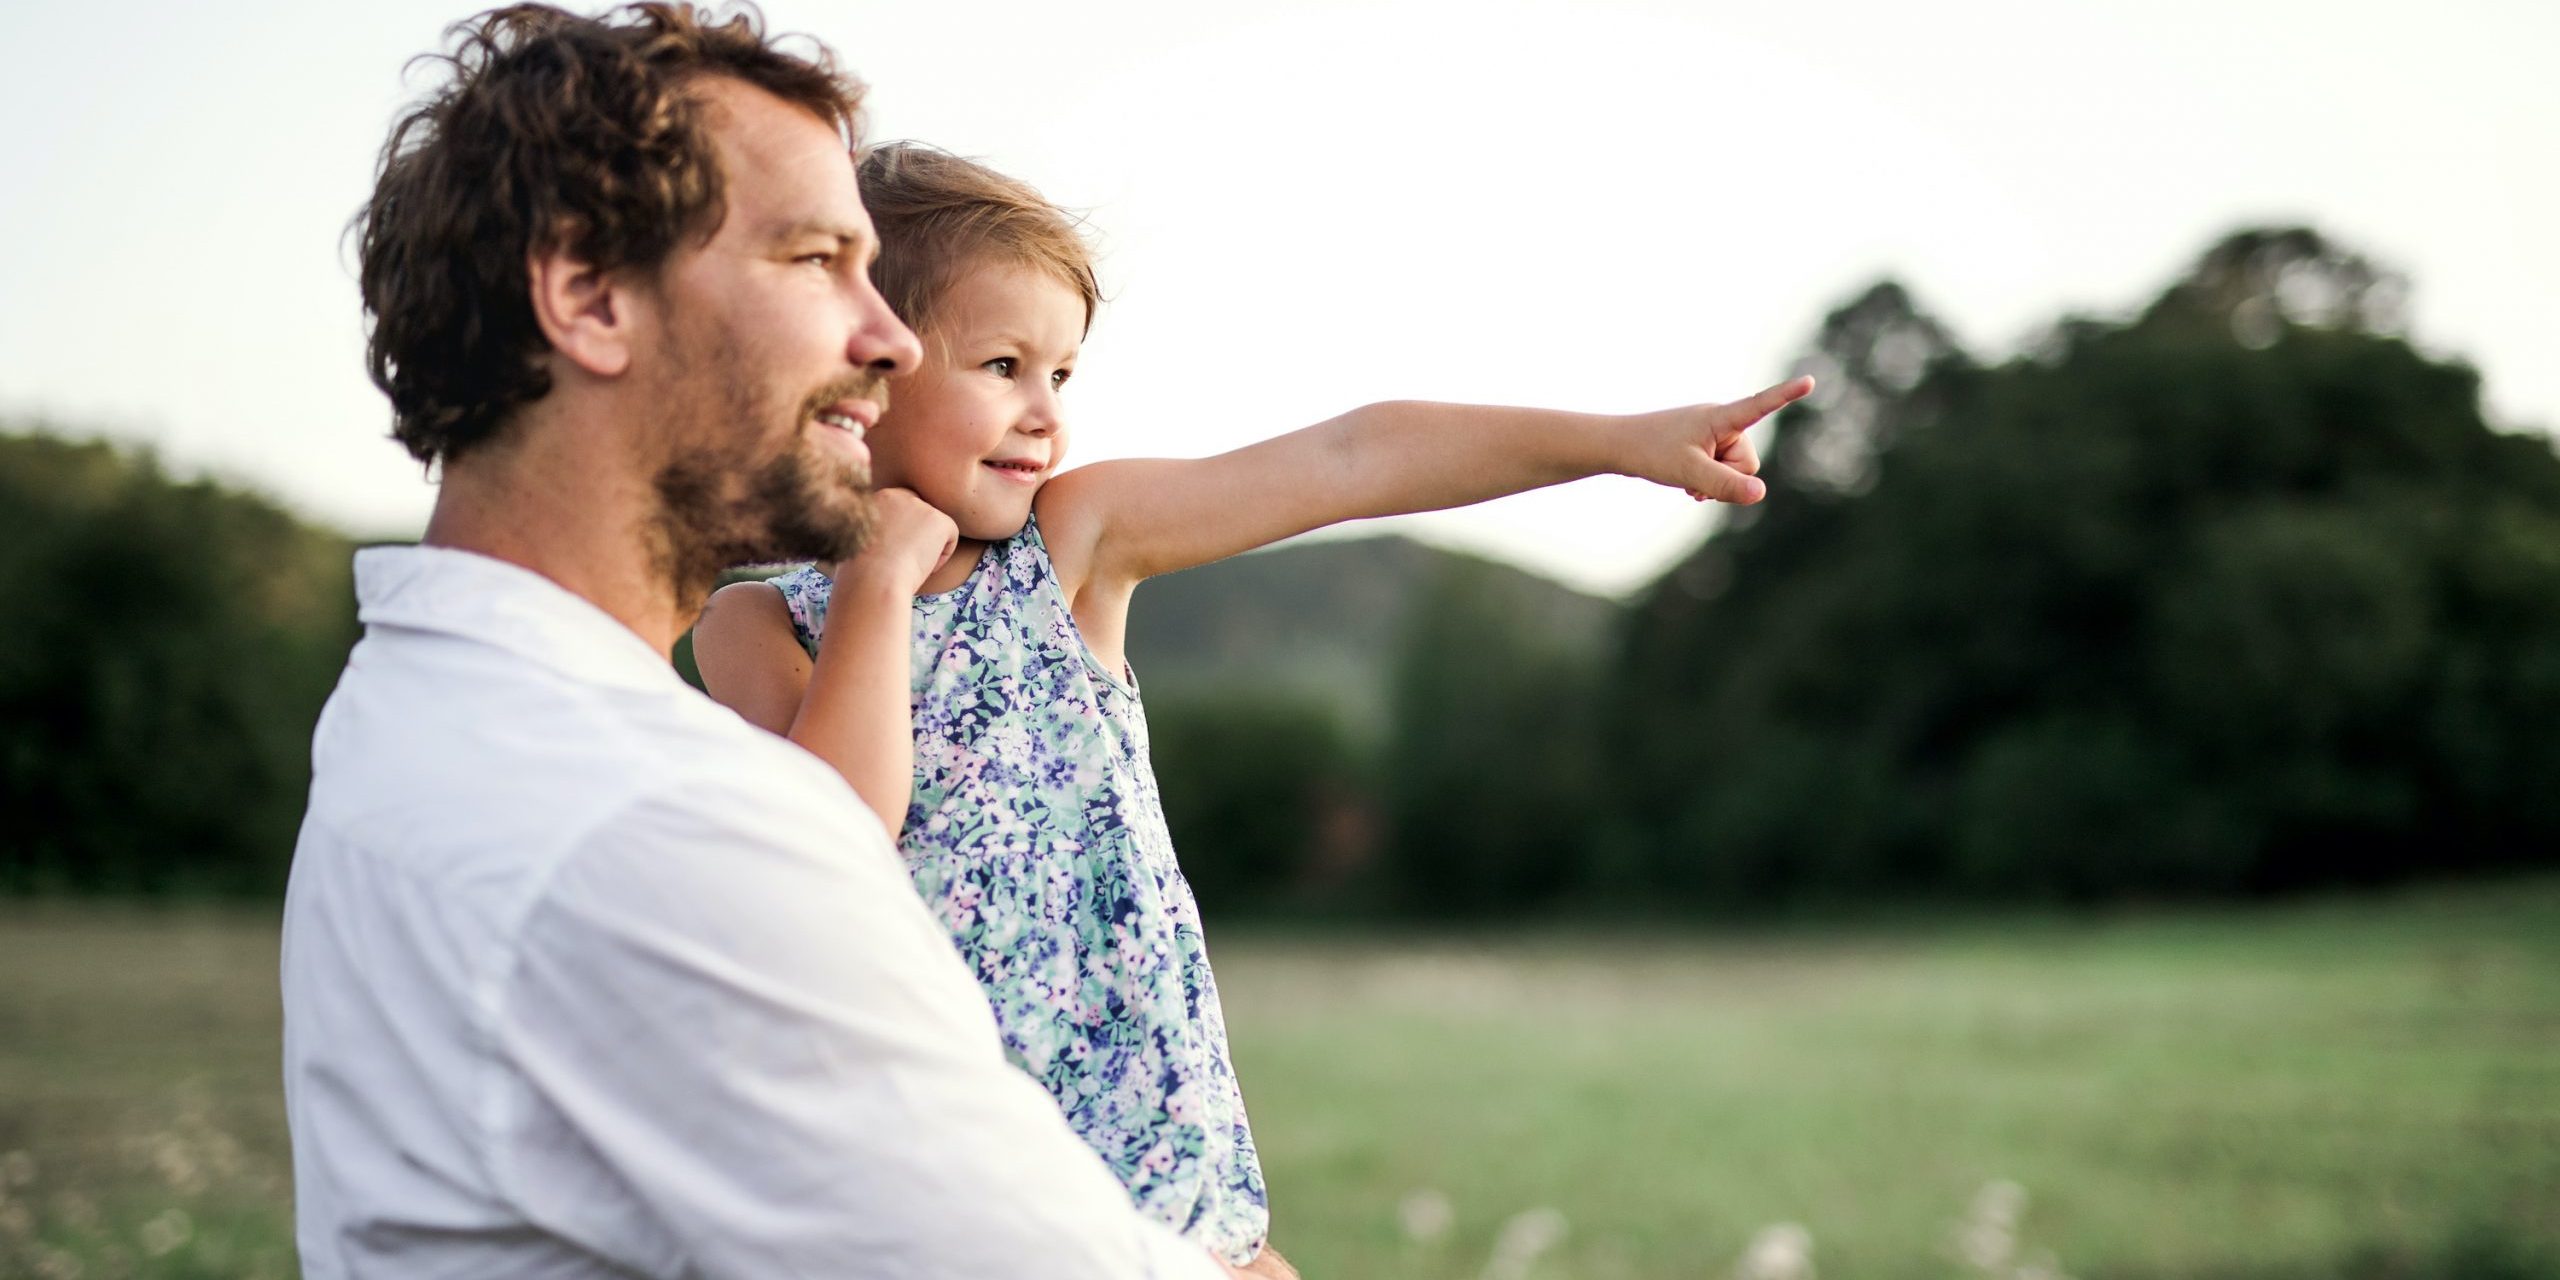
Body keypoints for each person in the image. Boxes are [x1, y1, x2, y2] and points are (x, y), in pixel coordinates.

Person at [689, 145, 1811, 1271]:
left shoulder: (1069, 545)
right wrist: (879, 578)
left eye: (1062, 375)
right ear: (864, 368)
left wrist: (1617, 443)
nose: (1044, 415)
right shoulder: (757, 623)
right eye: (1002, 365)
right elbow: (842, 834)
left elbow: (1353, 455)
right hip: (953, 1197)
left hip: (1163, 1182)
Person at [281, 6, 1249, 1277]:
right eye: (815, 260)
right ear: (589, 297)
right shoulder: (653, 820)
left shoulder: (428, 710)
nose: (888, 339)